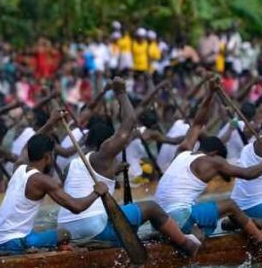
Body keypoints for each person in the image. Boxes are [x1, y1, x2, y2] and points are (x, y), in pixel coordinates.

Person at [56, 83, 201, 255]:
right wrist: (121, 92)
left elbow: (80, 186)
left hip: (66, 230)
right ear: (106, 143)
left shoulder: (73, 165)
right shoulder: (101, 156)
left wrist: (116, 171)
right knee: (151, 208)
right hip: (92, 228)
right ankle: (186, 244)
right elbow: (129, 123)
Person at [152, 84, 262, 245]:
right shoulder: (213, 161)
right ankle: (261, 239)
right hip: (178, 216)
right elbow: (249, 174)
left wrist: (210, 93)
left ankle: (187, 233)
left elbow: (198, 123)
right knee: (231, 205)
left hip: (158, 220)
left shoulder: (182, 151)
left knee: (203, 211)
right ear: (214, 154)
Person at [0, 133, 107, 253]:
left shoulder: (18, 168)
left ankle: (52, 248)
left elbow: (26, 146)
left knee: (43, 228)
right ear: (47, 156)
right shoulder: (43, 181)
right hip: (14, 244)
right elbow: (76, 207)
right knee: (64, 233)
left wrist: (51, 121)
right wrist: (96, 192)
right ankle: (61, 251)